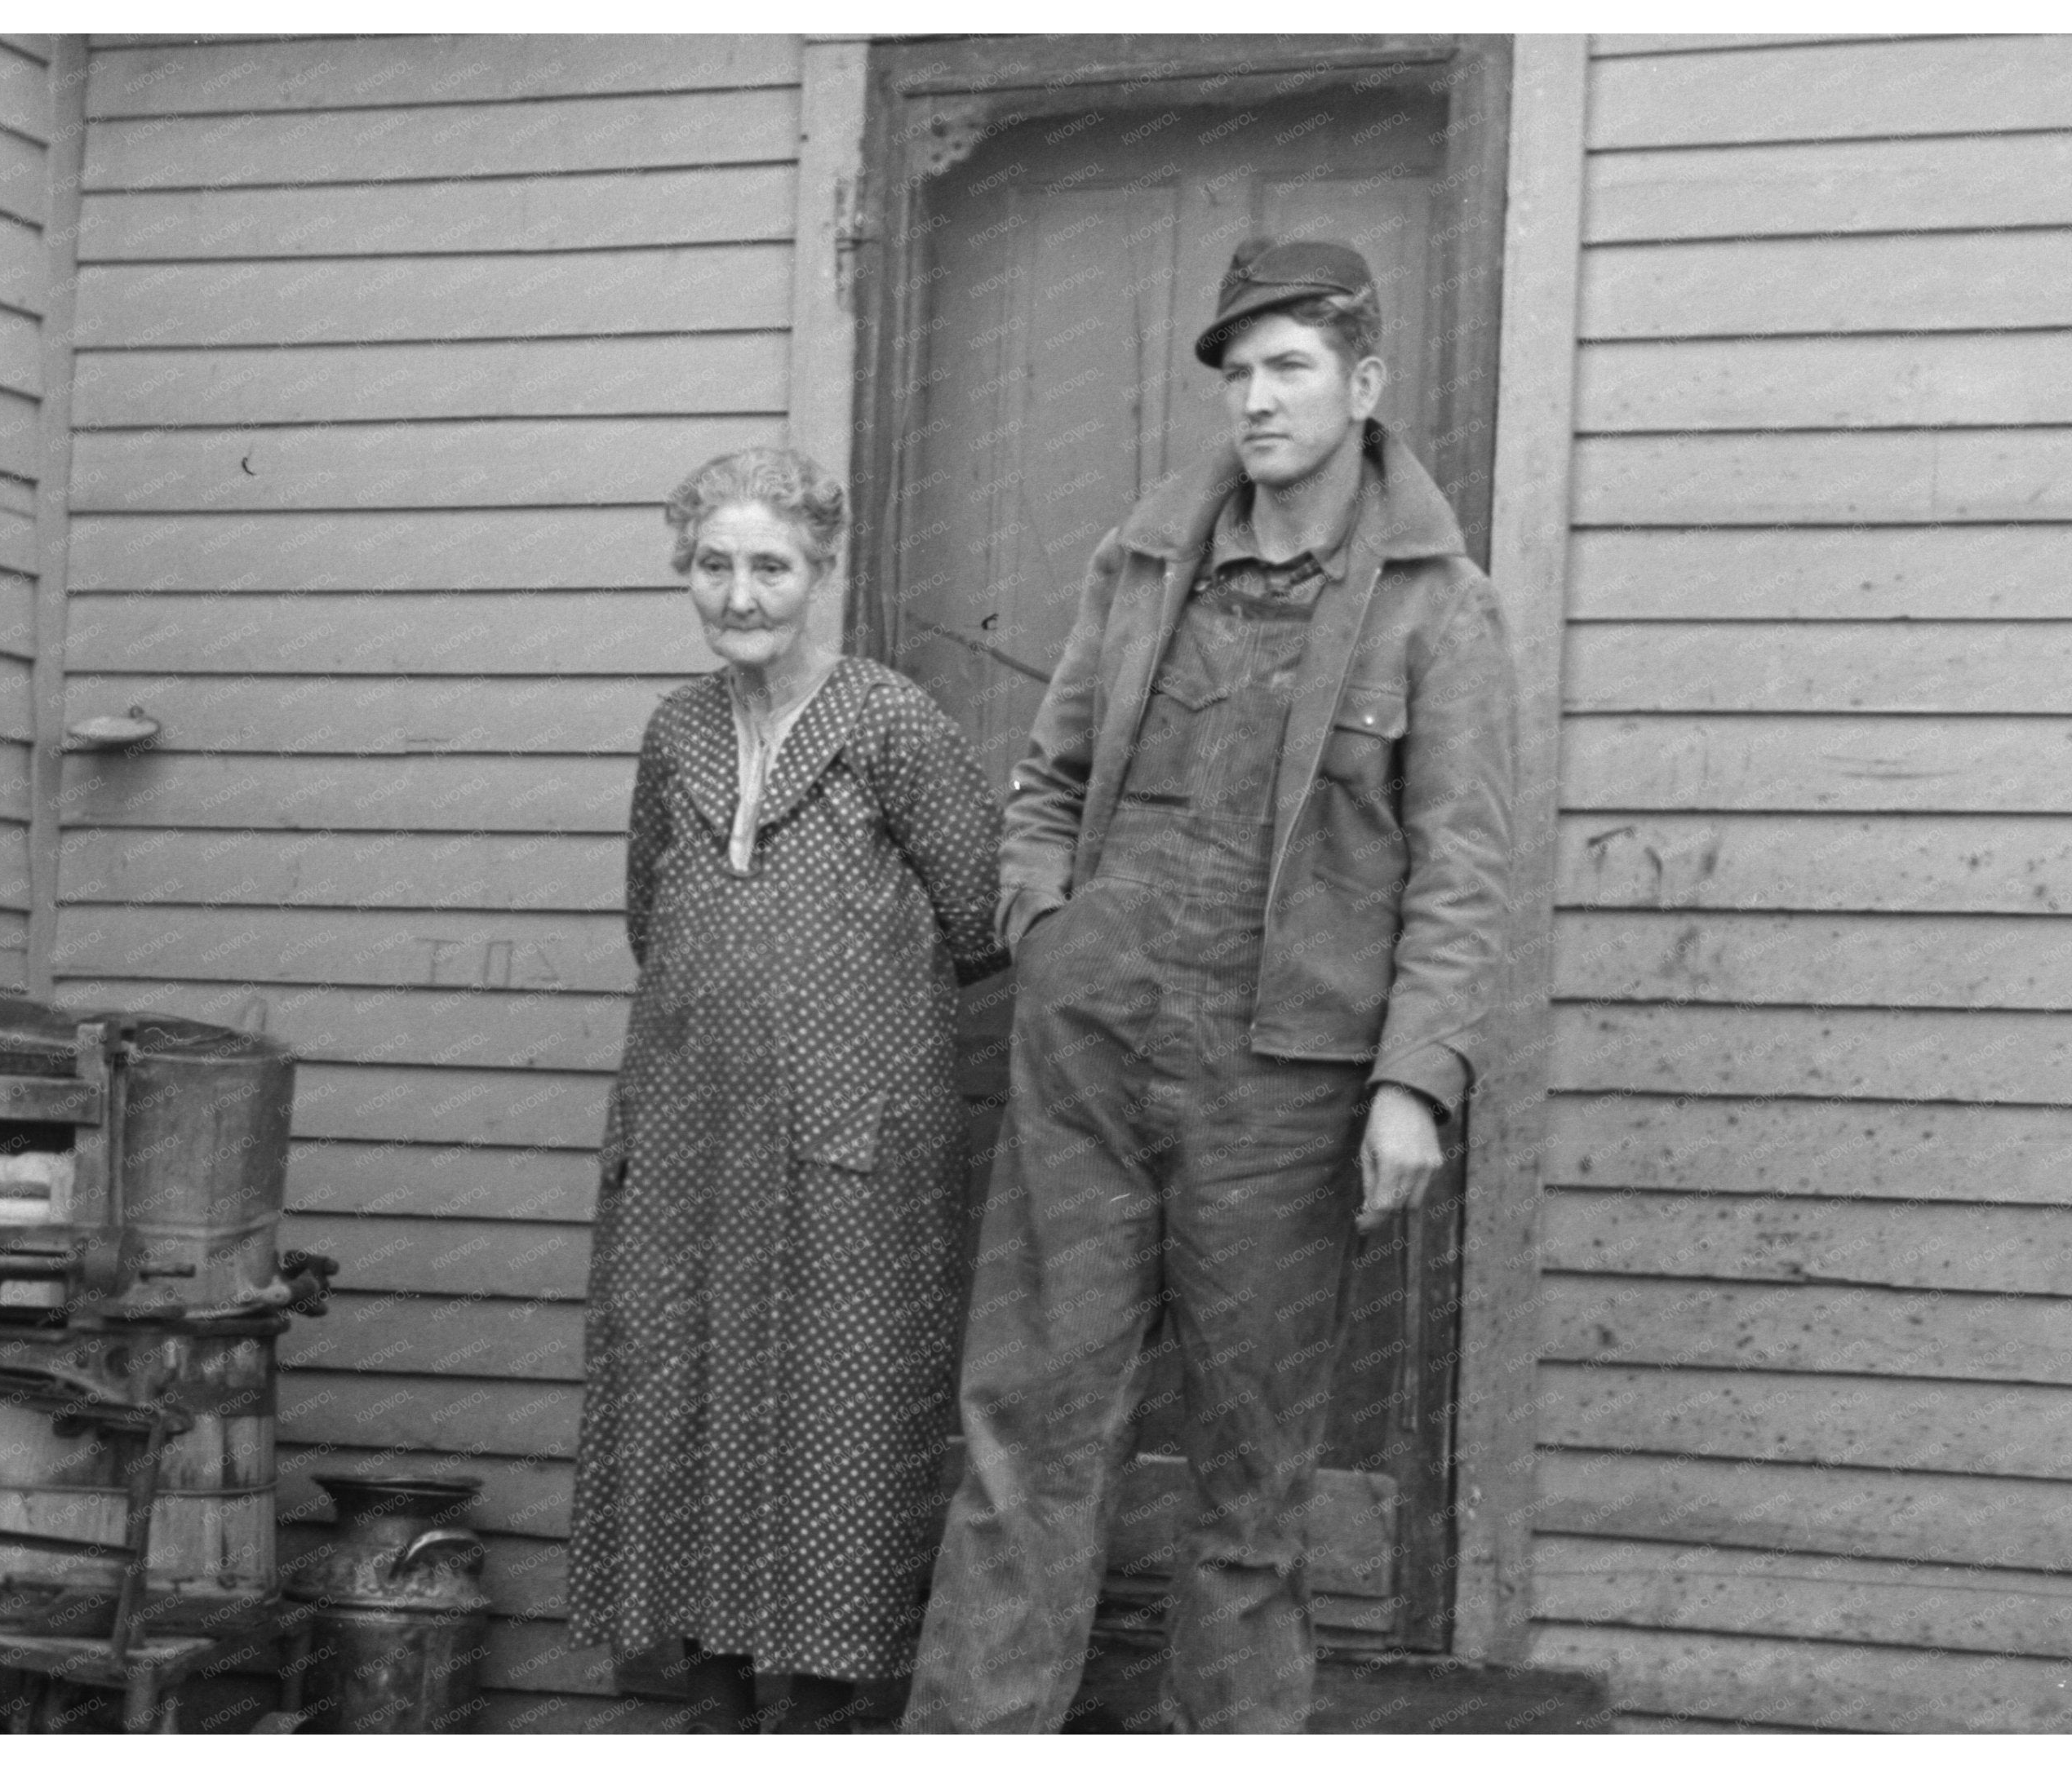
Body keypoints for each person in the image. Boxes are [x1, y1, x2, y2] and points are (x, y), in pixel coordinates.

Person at [904, 238, 1517, 1733]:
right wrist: (1048, 934)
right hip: (1092, 1054)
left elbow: (1463, 868)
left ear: (1361, 386)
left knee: (1250, 1478)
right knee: (1024, 1441)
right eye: (1238, 372)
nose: (1256, 399)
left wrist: (1411, 1082)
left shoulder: (1439, 608)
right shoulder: (1142, 564)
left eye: (1289, 366)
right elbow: (1043, 782)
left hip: (1284, 1086)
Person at [566, 447, 1006, 1734]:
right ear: (684, 573)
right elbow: (657, 918)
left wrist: (843, 1032)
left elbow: (980, 916)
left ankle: (815, 1715)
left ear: (820, 573)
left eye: (769, 565)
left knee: (837, 1411)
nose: (739, 593)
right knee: (678, 1395)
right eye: (714, 565)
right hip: (690, 1129)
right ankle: (707, 1704)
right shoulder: (676, 733)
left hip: (851, 1142)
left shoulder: (889, 722)